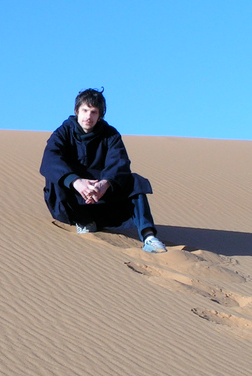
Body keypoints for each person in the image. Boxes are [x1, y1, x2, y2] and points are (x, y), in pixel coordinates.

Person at [40, 88, 167, 253]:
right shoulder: (63, 133)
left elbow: (120, 162)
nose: (88, 116)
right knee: (55, 177)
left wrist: (105, 184)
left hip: (102, 197)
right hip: (72, 203)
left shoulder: (111, 135)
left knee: (134, 181)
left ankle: (149, 237)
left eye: (94, 112)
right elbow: (50, 159)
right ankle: (84, 222)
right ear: (76, 111)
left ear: (100, 115)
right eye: (85, 110)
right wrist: (76, 182)